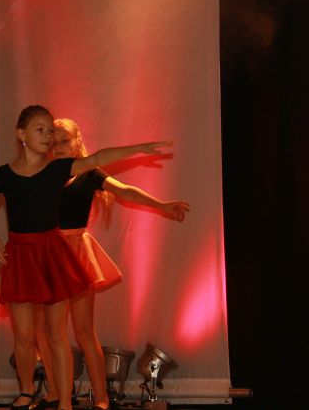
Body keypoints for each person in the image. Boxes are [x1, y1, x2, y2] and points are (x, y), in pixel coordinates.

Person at [0, 105, 173, 410]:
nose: (49, 137)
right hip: (23, 255)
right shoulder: (9, 173)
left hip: (58, 253)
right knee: (28, 333)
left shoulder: (62, 170)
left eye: (52, 132)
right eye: (42, 131)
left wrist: (138, 149)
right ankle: (35, 392)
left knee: (66, 332)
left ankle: (77, 401)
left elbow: (100, 161)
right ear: (22, 134)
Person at [32, 118, 189, 410]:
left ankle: (102, 398)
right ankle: (55, 393)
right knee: (46, 330)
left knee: (83, 331)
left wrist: (161, 205)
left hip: (76, 253)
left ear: (77, 142)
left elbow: (124, 190)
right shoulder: (45, 172)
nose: (58, 146)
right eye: (53, 142)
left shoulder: (88, 172)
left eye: (64, 141)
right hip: (49, 253)